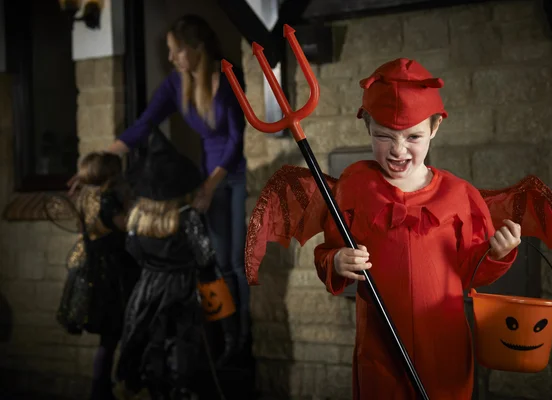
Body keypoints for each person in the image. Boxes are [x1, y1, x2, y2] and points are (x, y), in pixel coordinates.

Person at [244, 58, 523, 399]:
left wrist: (497, 253)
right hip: (380, 346)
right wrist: (336, 261)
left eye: (414, 136)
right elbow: (327, 252)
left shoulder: (459, 196)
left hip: (443, 346)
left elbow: (470, 271)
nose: (398, 149)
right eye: (383, 136)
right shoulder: (355, 186)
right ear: (368, 129)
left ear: (435, 128)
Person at [68, 14, 251, 352]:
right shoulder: (176, 84)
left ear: (196, 49)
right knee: (217, 261)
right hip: (206, 177)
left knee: (237, 263)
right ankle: (228, 341)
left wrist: (211, 186)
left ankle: (246, 340)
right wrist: (98, 163)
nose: (170, 58)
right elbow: (143, 125)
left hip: (233, 175)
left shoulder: (228, 77)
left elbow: (236, 140)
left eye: (175, 51)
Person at [115, 128, 237, 399]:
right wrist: (226, 323)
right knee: (183, 361)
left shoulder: (137, 220)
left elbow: (132, 253)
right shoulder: (187, 219)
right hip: (184, 295)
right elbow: (206, 265)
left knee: (151, 356)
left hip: (147, 293)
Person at [71, 152, 140, 400]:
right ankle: (110, 388)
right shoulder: (108, 199)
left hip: (98, 274)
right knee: (118, 334)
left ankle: (101, 389)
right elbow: (126, 225)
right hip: (115, 276)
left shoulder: (85, 198)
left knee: (107, 340)